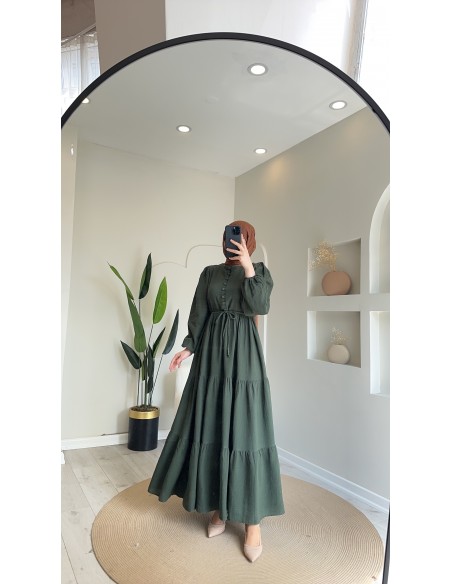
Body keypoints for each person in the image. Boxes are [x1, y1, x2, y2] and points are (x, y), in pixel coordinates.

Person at [148, 220, 285, 562]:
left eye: (239, 237)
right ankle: (219, 507)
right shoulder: (209, 273)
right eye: (227, 236)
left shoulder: (260, 272)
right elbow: (200, 312)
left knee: (246, 433)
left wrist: (248, 267)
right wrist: (188, 347)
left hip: (244, 359)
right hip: (210, 359)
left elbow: (259, 305)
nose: (232, 241)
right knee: (211, 426)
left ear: (250, 241)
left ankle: (252, 522)